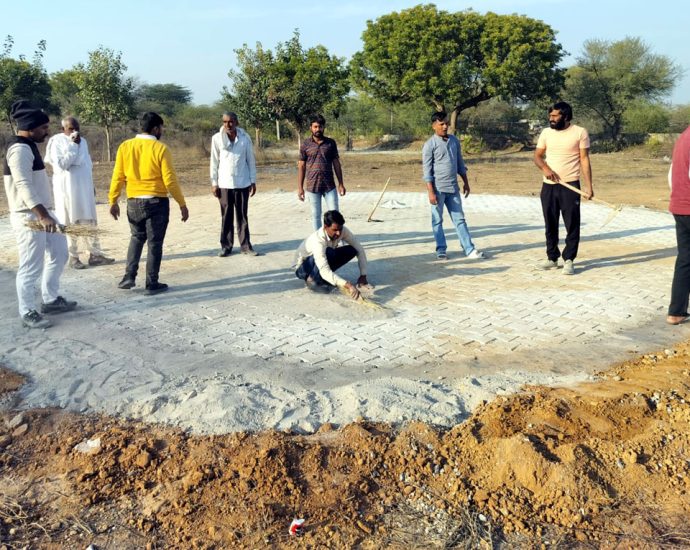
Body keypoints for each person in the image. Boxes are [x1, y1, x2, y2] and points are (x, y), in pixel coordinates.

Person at [3, 100, 77, 329]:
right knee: (30, 265)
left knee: (59, 253)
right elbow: (23, 185)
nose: (47, 131)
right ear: (31, 127)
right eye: (43, 128)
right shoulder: (19, 149)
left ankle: (51, 299)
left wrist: (47, 214)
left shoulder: (28, 146)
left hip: (42, 212)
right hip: (29, 216)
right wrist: (43, 215)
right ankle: (27, 311)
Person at [108, 112, 189, 295]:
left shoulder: (125, 147)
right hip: (156, 201)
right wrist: (181, 203)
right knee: (154, 243)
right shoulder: (160, 148)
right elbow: (169, 180)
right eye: (161, 128)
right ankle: (152, 283)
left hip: (133, 201)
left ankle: (128, 277)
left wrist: (113, 200)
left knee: (136, 237)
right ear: (155, 128)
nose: (162, 132)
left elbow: (118, 176)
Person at [45, 116, 115, 269]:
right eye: (71, 128)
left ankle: (95, 255)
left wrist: (91, 185)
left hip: (84, 187)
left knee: (90, 219)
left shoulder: (83, 141)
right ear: (63, 129)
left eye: (77, 128)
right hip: (67, 188)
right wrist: (72, 146)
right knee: (69, 220)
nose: (75, 131)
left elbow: (86, 163)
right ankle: (73, 257)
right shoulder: (57, 141)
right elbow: (63, 164)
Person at [534, 101, 593, 275]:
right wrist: (546, 169)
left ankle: (569, 259)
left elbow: (584, 160)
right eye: (550, 115)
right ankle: (552, 258)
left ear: (565, 116)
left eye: (555, 115)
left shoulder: (580, 132)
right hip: (549, 186)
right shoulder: (546, 132)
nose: (551, 118)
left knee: (572, 224)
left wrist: (589, 187)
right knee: (550, 223)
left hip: (571, 186)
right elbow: (537, 156)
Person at [422, 111, 485, 260]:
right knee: (437, 220)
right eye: (441, 124)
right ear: (433, 126)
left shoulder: (454, 141)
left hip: (453, 188)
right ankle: (441, 249)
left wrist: (466, 183)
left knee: (460, 219)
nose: (445, 127)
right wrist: (431, 192)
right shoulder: (429, 145)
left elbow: (460, 164)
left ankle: (469, 249)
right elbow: (427, 171)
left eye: (446, 124)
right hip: (438, 190)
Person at [210, 112, 258, 256]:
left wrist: (253, 180)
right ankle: (226, 246)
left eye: (230, 122)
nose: (227, 125)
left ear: (236, 122)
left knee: (242, 216)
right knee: (226, 216)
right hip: (224, 183)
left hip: (242, 183)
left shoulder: (245, 138)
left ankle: (246, 246)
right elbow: (214, 162)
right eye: (225, 122)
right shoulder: (217, 138)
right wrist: (214, 183)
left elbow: (250, 160)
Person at [295, 210, 369, 299]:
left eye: (340, 229)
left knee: (353, 249)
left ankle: (324, 279)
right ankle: (311, 280)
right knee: (328, 252)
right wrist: (347, 285)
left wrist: (363, 275)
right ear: (325, 227)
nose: (338, 233)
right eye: (335, 230)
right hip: (303, 269)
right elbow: (324, 270)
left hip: (320, 262)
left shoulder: (342, 230)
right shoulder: (318, 240)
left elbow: (359, 248)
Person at [297, 114, 346, 231]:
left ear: (324, 128)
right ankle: (319, 241)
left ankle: (338, 240)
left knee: (335, 215)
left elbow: (336, 163)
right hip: (313, 186)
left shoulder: (330, 143)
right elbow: (301, 166)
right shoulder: (305, 144)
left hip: (329, 186)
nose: (318, 129)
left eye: (320, 127)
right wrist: (300, 188)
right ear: (311, 128)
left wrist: (341, 184)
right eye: (315, 127)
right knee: (316, 216)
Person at [666, 125, 690, 325]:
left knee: (685, 260)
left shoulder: (683, 137)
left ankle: (676, 312)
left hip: (679, 207)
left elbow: (672, 175)